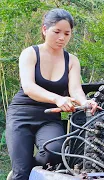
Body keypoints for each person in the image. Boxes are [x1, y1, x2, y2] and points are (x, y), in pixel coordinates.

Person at [6, 8, 99, 180]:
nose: (62, 38)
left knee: (55, 153)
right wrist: (57, 98)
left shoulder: (71, 60)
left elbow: (76, 90)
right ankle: (21, 171)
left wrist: (85, 102)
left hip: (50, 117)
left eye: (67, 33)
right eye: (56, 32)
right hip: (21, 115)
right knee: (21, 174)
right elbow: (28, 87)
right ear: (44, 30)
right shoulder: (30, 53)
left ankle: (29, 168)